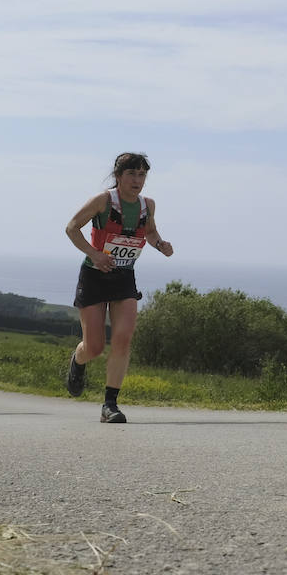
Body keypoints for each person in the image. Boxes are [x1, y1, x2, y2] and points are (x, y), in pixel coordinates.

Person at [63, 152, 174, 424]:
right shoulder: (103, 201)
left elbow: (149, 232)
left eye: (142, 175)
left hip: (124, 276)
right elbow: (72, 227)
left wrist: (160, 245)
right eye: (131, 174)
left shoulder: (148, 205)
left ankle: (109, 404)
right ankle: (78, 361)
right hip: (94, 275)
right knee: (95, 347)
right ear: (118, 176)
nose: (137, 180)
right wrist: (95, 254)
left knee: (123, 338)